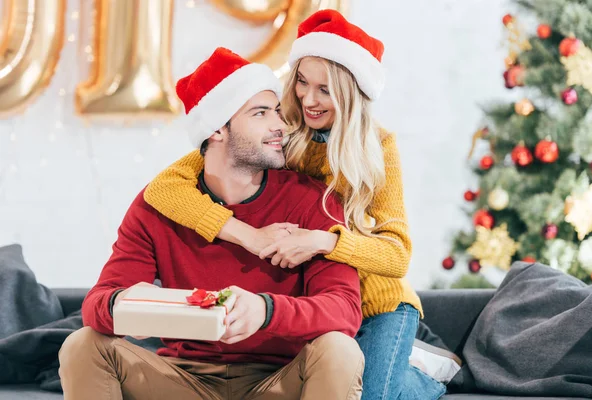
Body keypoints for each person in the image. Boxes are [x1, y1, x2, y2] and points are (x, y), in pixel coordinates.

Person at [143, 9, 449, 400]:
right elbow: (164, 188)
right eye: (302, 81)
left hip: (378, 303)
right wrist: (249, 236)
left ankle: (429, 373)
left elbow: (397, 255)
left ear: (350, 92)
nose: (308, 98)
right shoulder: (276, 128)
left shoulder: (379, 147)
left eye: (325, 90)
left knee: (372, 395)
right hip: (320, 297)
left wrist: (322, 241)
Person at [58, 47, 364, 400]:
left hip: (279, 380)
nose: (281, 125)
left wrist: (265, 311)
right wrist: (129, 306)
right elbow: (96, 303)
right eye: (261, 113)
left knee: (340, 350)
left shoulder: (311, 199)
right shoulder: (157, 206)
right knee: (82, 344)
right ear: (217, 129)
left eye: (277, 111)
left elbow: (343, 310)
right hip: (182, 380)